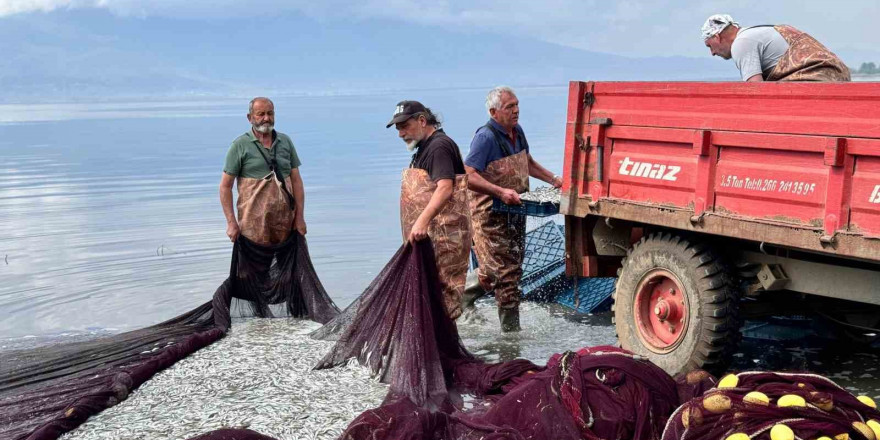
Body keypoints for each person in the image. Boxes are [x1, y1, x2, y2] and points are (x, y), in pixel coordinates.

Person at [463, 86, 562, 332]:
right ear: (494, 111)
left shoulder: (517, 131)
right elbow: (467, 175)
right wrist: (500, 192)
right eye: (510, 107)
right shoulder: (485, 137)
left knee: (513, 269)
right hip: (489, 215)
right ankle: (511, 337)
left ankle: (462, 296)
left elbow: (527, 162)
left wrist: (554, 179)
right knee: (502, 276)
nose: (516, 110)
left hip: (516, 211)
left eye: (517, 105)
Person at [389, 100, 472, 320]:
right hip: (430, 240)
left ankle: (444, 350)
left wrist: (421, 222)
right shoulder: (423, 148)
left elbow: (445, 187)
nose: (401, 134)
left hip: (445, 240)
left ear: (422, 120)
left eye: (404, 126)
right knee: (430, 300)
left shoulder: (439, 147)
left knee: (442, 300)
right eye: (398, 129)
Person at [220, 97, 306, 245]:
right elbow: (225, 187)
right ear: (250, 117)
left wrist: (299, 218)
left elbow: (296, 181)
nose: (266, 118)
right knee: (254, 268)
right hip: (252, 228)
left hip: (286, 225)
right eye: (261, 114)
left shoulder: (285, 142)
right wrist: (231, 223)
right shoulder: (240, 145)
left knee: (290, 267)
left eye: (270, 113)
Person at [702, 14, 850, 82]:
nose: (712, 53)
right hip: (838, 75)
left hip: (816, 80)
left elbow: (756, 91)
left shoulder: (741, 42)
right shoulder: (760, 32)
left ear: (717, 37)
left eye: (709, 46)